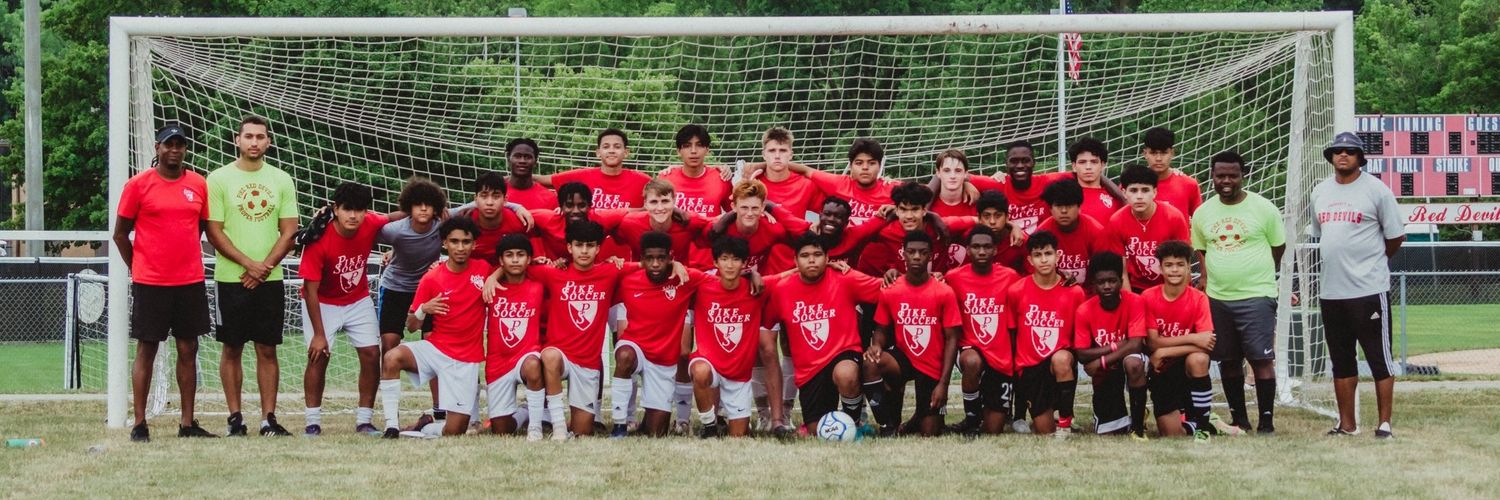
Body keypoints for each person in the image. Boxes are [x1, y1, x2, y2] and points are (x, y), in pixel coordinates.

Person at [115, 123, 216, 442]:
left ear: (185, 149)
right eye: (168, 144)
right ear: (157, 148)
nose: (174, 150)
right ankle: (139, 423)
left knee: (189, 348)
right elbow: (120, 234)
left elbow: (200, 228)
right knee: (147, 348)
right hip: (151, 283)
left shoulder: (198, 184)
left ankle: (187, 423)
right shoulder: (138, 185)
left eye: (179, 145)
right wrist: (137, 266)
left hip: (189, 281)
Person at [205, 115, 298, 437]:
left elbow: (289, 231)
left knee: (267, 348)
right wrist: (248, 264)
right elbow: (214, 231)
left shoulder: (281, 179)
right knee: (231, 347)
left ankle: (268, 418)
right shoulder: (218, 179)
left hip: (269, 280)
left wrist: (264, 267)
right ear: (237, 140)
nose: (254, 142)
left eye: (260, 137)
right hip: (231, 279)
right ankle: (235, 418)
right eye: (249, 136)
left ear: (268, 142)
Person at [1311, 132, 1404, 439]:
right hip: (1331, 291)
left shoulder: (1377, 190)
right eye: (1337, 150)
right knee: (1341, 360)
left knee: (1379, 358)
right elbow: (1322, 235)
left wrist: (1372, 262)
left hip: (1368, 290)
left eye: (1350, 151)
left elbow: (1395, 237)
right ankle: (1347, 424)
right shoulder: (1320, 191)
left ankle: (1384, 423)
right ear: (1330, 157)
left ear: (1360, 157)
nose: (1343, 155)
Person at [518, 220, 641, 440]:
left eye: (590, 245)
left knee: (583, 431)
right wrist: (500, 275)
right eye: (578, 245)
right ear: (569, 247)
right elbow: (515, 266)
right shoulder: (553, 273)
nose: (584, 251)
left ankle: (566, 421)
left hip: (587, 363)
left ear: (598, 248)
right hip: (560, 356)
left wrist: (676, 265)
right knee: (549, 355)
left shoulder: (610, 271)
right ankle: (558, 428)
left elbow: (650, 265)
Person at [1192, 150, 1286, 435]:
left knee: (1260, 359)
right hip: (1218, 297)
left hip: (1256, 295)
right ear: (1212, 176)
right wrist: (1209, 279)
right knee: (1228, 360)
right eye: (1220, 175)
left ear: (1243, 175)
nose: (1226, 181)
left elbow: (1278, 247)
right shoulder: (1203, 213)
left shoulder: (1264, 208)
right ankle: (1240, 419)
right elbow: (1201, 250)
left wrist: (1259, 275)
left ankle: (1266, 422)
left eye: (1232, 175)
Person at [378, 216, 491, 438]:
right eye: (455, 241)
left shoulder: (484, 270)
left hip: (465, 359)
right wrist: (423, 309)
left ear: (474, 244)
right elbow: (412, 326)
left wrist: (495, 277)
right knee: (391, 357)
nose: (460, 247)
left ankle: (425, 426)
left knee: (454, 432)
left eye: (466, 242)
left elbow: (505, 270)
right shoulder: (431, 278)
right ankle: (391, 426)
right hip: (435, 350)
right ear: (445, 243)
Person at [763, 232, 885, 432]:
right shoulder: (782, 290)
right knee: (816, 431)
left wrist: (922, 279)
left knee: (846, 374)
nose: (811, 260)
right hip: (809, 371)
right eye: (805, 256)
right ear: (795, 260)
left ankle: (854, 425)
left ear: (828, 258)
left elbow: (888, 291)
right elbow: (764, 319)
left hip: (842, 354)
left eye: (817, 254)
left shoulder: (845, 278)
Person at [297, 182, 389, 436]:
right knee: (319, 355)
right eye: (347, 209)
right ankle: (312, 423)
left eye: (359, 210)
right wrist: (319, 334)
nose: (353, 215)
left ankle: (364, 421)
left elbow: (396, 216)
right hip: (322, 302)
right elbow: (310, 290)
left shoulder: (370, 223)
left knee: (372, 354)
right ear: (336, 209)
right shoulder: (319, 239)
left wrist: (431, 210)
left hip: (357, 299)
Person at [865, 231, 963, 437]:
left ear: (930, 256)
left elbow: (952, 338)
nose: (917, 256)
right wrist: (876, 345)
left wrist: (943, 383)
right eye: (911, 252)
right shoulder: (891, 289)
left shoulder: (944, 292)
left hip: (932, 365)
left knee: (930, 432)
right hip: (903, 359)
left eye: (923, 252)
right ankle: (888, 425)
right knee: (871, 362)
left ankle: (918, 417)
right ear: (904, 254)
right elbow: (881, 329)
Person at [688, 236, 782, 438]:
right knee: (700, 371)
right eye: (724, 259)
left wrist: (829, 266)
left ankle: (733, 422)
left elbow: (789, 275)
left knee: (738, 436)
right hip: (710, 364)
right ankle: (709, 427)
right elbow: (671, 267)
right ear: (715, 262)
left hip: (739, 375)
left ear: (744, 263)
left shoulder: (756, 289)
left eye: (735, 259)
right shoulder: (702, 285)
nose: (729, 265)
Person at [609, 232, 696, 438]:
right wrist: (610, 261)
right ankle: (619, 425)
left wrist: (750, 274)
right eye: (649, 258)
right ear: (642, 259)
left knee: (656, 433)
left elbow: (722, 279)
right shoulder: (627, 281)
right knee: (624, 355)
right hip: (636, 347)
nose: (655, 264)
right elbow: (593, 273)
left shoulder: (684, 279)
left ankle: (647, 423)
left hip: (663, 360)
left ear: (670, 258)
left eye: (661, 258)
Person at [1003, 230, 1085, 437]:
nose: (1044, 259)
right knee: (1044, 431)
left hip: (1059, 364)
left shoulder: (1074, 292)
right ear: (1030, 260)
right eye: (1038, 255)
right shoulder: (1016, 290)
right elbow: (1012, 332)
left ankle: (1065, 423)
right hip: (1030, 369)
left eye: (1048, 253)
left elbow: (1079, 337)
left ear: (1058, 256)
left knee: (1061, 359)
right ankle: (1045, 416)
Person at [943, 225, 1022, 435]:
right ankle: (971, 420)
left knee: (993, 430)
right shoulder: (953, 277)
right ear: (968, 250)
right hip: (970, 347)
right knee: (971, 361)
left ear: (995, 250)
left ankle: (985, 416)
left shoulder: (1011, 277)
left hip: (1001, 357)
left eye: (987, 247)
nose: (981, 251)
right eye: (976, 247)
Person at [536, 128, 652, 263]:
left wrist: (669, 171)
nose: (611, 150)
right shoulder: (580, 176)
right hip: (586, 258)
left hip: (621, 260)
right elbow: (542, 180)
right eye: (606, 146)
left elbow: (663, 196)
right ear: (598, 152)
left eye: (617, 146)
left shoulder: (643, 181)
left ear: (626, 152)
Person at [1142, 240, 1219, 442]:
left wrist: (1165, 350)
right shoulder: (1148, 297)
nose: (1174, 270)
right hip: (1162, 369)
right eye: (1169, 265)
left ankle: (1202, 427)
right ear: (1160, 268)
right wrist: (1193, 338)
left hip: (1187, 367)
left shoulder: (1199, 298)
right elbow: (1152, 343)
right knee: (1171, 434)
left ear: (1188, 267)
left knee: (1199, 359)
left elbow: (1207, 343)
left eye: (1180, 265)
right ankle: (1204, 423)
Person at [1071, 252, 1149, 438]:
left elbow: (1136, 344)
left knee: (1133, 363)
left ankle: (1138, 428)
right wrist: (1115, 346)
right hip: (1107, 373)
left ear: (1121, 281)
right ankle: (1124, 418)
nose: (1107, 286)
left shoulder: (1135, 301)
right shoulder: (1084, 310)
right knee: (1110, 433)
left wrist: (1101, 361)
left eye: (1112, 281)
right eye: (1101, 282)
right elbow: (1082, 354)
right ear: (1093, 284)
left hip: (1127, 362)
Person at [483, 234, 547, 441]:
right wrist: (492, 277)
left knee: (533, 364)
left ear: (529, 259)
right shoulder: (490, 287)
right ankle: (526, 412)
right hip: (497, 362)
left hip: (526, 356)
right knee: (501, 430)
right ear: (501, 261)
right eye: (509, 255)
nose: (515, 260)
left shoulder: (539, 285)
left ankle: (535, 428)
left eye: (521, 255)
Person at [1102, 164, 1191, 293]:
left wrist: (1178, 297)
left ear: (1154, 192)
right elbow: (1121, 271)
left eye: (1145, 190)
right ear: (1124, 193)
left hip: (1169, 285)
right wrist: (1132, 301)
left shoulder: (1173, 217)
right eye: (1133, 190)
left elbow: (1184, 265)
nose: (1139, 196)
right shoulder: (1117, 221)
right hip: (1136, 287)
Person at [659, 124, 733, 269]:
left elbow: (734, 213)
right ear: (678, 151)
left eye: (699, 145)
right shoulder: (666, 178)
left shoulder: (721, 178)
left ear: (707, 149)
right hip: (673, 263)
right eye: (687, 146)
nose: (693, 151)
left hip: (711, 264)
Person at [968, 140, 1064, 235]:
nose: (1020, 165)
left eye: (1025, 160)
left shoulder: (1046, 182)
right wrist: (966, 184)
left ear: (1034, 162)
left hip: (1042, 243)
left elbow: (1073, 174)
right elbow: (961, 175)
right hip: (1008, 243)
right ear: (1006, 163)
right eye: (1014, 161)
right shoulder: (998, 184)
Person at [1033, 180, 1107, 287]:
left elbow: (1103, 274)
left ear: (1079, 207)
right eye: (1058, 206)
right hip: (1054, 292)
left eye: (1069, 205)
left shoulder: (1096, 231)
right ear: (1050, 209)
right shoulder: (1042, 233)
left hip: (1089, 293)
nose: (1064, 211)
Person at [1141, 127, 1203, 217]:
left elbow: (1200, 220)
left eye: (1164, 153)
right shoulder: (1132, 186)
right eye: (1153, 153)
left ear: (1172, 153)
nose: (1158, 158)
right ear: (1145, 154)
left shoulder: (1189, 184)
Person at [1067, 137, 1126, 224]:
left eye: (1094, 162)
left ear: (1102, 165)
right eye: (1082, 162)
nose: (1088, 167)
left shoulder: (1118, 197)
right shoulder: (1065, 197)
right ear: (1074, 166)